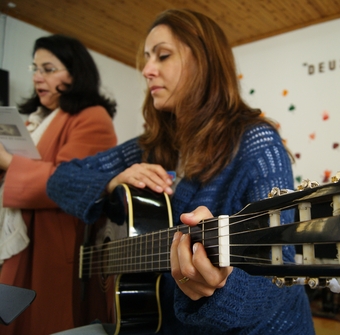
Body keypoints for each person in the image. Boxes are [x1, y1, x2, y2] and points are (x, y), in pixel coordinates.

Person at [46, 8, 315, 335]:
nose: (147, 70)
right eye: (146, 59)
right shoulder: (149, 146)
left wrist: (220, 287)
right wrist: (111, 181)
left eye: (163, 56)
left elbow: (280, 279)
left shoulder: (257, 145)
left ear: (204, 63)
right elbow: (59, 179)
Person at [0, 34, 117, 334]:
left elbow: (70, 183)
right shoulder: (37, 121)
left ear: (75, 73)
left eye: (49, 69)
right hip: (23, 234)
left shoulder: (93, 117)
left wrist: (8, 162)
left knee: (39, 321)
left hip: (53, 243)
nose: (38, 77)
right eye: (35, 68)